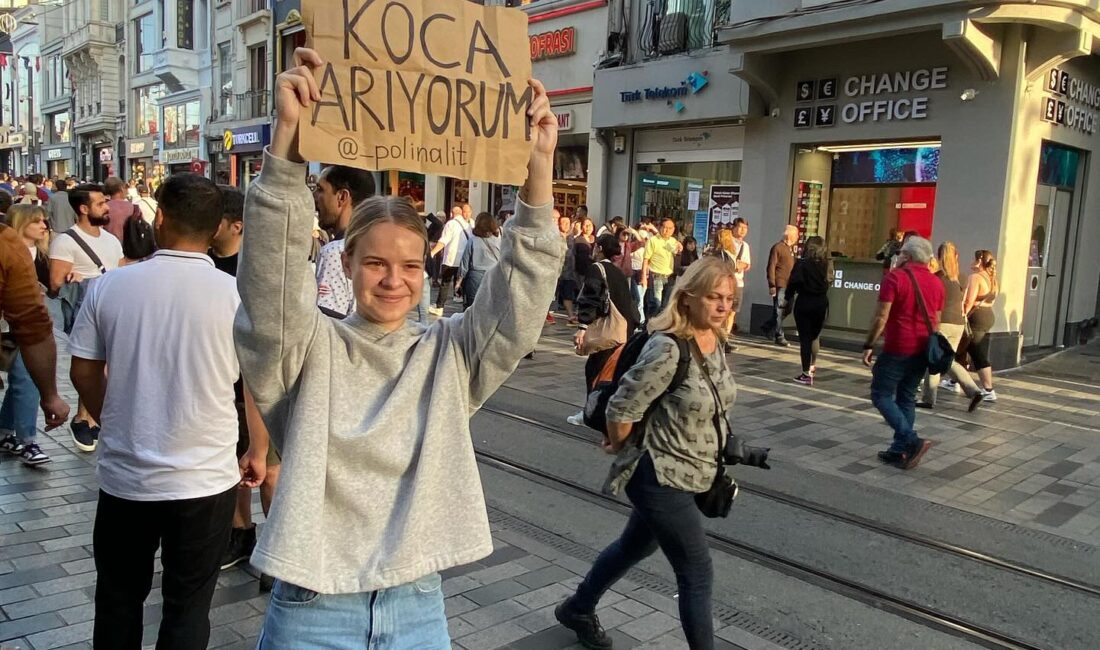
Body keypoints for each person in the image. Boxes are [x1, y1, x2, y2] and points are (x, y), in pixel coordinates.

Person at [234, 48, 559, 648]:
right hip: (314, 605)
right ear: (346, 262)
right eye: (376, 262)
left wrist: (540, 168)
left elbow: (519, 304)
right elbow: (268, 290)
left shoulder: (449, 356)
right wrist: (286, 143)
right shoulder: (304, 351)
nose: (394, 279)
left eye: (411, 265)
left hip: (415, 603)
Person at [68, 173, 241, 649]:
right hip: (205, 477)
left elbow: (83, 370)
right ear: (215, 228)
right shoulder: (234, 295)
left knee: (119, 600)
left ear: (160, 217)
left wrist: (112, 413)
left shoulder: (112, 287)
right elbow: (255, 384)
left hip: (127, 475)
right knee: (188, 606)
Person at [556, 256, 738, 650]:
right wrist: (622, 445)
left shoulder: (716, 340)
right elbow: (622, 408)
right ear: (687, 298)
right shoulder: (669, 348)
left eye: (730, 299)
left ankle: (578, 607)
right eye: (714, 297)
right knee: (697, 571)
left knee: (634, 546)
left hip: (691, 469)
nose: (724, 306)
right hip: (657, 475)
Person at [208, 186, 282, 589]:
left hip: (260, 384)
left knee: (269, 472)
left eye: (215, 217)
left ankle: (279, 550)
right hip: (220, 386)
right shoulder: (202, 262)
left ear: (236, 225)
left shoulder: (254, 269)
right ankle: (241, 535)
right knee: (234, 469)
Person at [48, 183, 124, 453]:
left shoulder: (111, 240)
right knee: (94, 363)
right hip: (84, 309)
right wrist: (73, 278)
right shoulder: (66, 241)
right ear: (83, 208)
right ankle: (85, 418)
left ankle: (90, 418)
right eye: (101, 203)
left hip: (111, 306)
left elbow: (119, 268)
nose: (107, 207)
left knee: (103, 364)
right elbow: (55, 284)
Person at [862, 236, 943, 470]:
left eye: (900, 253)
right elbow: (936, 319)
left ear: (906, 256)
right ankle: (899, 450)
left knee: (881, 394)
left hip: (898, 346)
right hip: (922, 348)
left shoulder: (895, 278)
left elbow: (881, 316)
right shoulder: (936, 283)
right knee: (907, 397)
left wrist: (869, 344)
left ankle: (911, 440)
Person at [567, 233, 641, 426]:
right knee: (610, 372)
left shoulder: (596, 268)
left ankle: (591, 414)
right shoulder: (616, 271)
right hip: (625, 329)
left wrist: (582, 327)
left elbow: (592, 297)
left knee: (595, 371)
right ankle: (604, 412)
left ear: (599, 248)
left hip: (611, 331)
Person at [0, 205, 55, 465]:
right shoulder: (9, 247)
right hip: (13, 327)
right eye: (38, 221)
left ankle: (15, 435)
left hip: (21, 329)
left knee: (23, 379)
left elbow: (51, 288)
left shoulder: (37, 254)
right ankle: (25, 439)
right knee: (24, 380)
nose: (44, 226)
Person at [916, 243, 985, 411]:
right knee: (946, 360)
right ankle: (972, 391)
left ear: (939, 257)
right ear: (956, 256)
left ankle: (929, 398)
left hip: (943, 323)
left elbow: (929, 304)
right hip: (958, 324)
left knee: (935, 358)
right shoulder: (960, 278)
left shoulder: (937, 278)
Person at [313, 165, 376, 319]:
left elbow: (328, 323)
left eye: (320, 190)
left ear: (342, 197)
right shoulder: (375, 246)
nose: (314, 196)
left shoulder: (334, 252)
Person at [783, 236, 830, 385]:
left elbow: (793, 283)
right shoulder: (827, 264)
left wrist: (787, 298)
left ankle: (805, 373)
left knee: (805, 338)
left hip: (805, 302)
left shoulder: (802, 264)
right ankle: (812, 366)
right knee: (815, 336)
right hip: (821, 302)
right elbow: (829, 281)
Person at [963, 249, 999, 402]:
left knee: (976, 351)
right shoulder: (993, 279)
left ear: (979, 261)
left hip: (976, 318)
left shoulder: (976, 277)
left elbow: (969, 301)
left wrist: (963, 313)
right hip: (988, 315)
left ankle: (988, 389)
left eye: (974, 259)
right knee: (963, 346)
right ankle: (954, 380)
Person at [430, 203, 472, 316]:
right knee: (463, 283)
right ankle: (465, 306)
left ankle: (439, 307)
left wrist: (433, 252)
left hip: (451, 259)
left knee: (445, 283)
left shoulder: (451, 224)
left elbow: (444, 240)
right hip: (464, 260)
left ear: (452, 214)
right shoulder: (469, 224)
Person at [457, 211, 501, 309]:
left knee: (473, 308)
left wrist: (458, 281)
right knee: (491, 308)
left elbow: (465, 263)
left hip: (475, 278)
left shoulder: (472, 240)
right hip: (494, 276)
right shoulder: (499, 241)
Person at [763, 225, 797, 347]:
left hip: (790, 285)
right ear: (790, 236)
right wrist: (771, 284)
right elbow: (771, 266)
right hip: (780, 284)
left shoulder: (791, 249)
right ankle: (779, 336)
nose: (797, 237)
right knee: (779, 310)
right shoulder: (778, 247)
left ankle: (768, 326)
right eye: (796, 235)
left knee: (788, 309)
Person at [641, 218, 681, 320]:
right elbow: (646, 260)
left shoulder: (673, 241)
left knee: (666, 305)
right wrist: (644, 278)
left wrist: (680, 247)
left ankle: (660, 328)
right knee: (656, 304)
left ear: (673, 230)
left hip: (669, 277)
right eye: (664, 227)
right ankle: (649, 326)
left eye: (669, 228)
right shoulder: (653, 240)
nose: (666, 230)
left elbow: (678, 252)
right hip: (656, 276)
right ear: (660, 227)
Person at [552, 209, 577, 325]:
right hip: (555, 271)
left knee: (568, 294)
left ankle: (570, 315)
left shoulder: (572, 237)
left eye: (568, 223)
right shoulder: (555, 236)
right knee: (551, 294)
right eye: (563, 223)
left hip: (568, 271)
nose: (566, 225)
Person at [102, 176, 136, 242]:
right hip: (130, 247)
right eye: (125, 187)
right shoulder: (133, 208)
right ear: (121, 188)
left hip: (108, 245)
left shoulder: (103, 208)